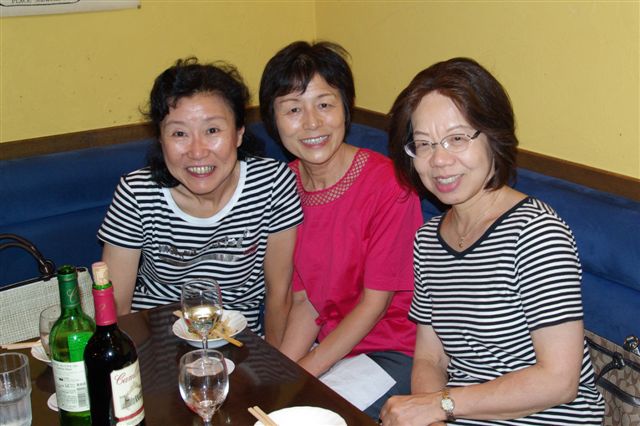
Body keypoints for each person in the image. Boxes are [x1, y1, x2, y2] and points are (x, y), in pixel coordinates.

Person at [380, 57, 605, 425]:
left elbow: (559, 381)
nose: (439, 160)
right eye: (423, 144)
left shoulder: (537, 232)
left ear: (493, 137)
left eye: (457, 139)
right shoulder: (427, 240)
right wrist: (432, 417)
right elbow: (430, 358)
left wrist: (440, 406)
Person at [259, 41, 423, 418]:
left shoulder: (390, 186)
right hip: (331, 345)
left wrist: (302, 375)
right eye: (293, 109)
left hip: (390, 351)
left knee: (303, 416)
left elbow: (374, 305)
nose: (312, 123)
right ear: (273, 120)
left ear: (346, 108)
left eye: (324, 104)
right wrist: (281, 374)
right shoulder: (285, 186)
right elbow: (305, 302)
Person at [97, 57, 303, 345]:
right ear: (161, 140)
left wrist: (274, 365)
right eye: (179, 133)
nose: (197, 151)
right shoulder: (137, 192)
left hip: (239, 345)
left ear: (239, 133)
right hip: (157, 344)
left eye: (212, 130)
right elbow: (117, 306)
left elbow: (279, 295)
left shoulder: (272, 184)